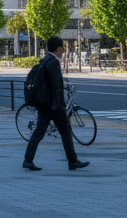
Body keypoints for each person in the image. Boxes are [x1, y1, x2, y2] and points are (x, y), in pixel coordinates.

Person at [21, 36, 89, 172]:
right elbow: (56, 86)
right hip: (54, 105)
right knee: (65, 131)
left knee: (39, 132)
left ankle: (28, 160)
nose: (62, 52)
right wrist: (61, 104)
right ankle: (72, 161)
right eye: (61, 49)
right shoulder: (54, 62)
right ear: (58, 49)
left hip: (43, 104)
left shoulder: (44, 60)